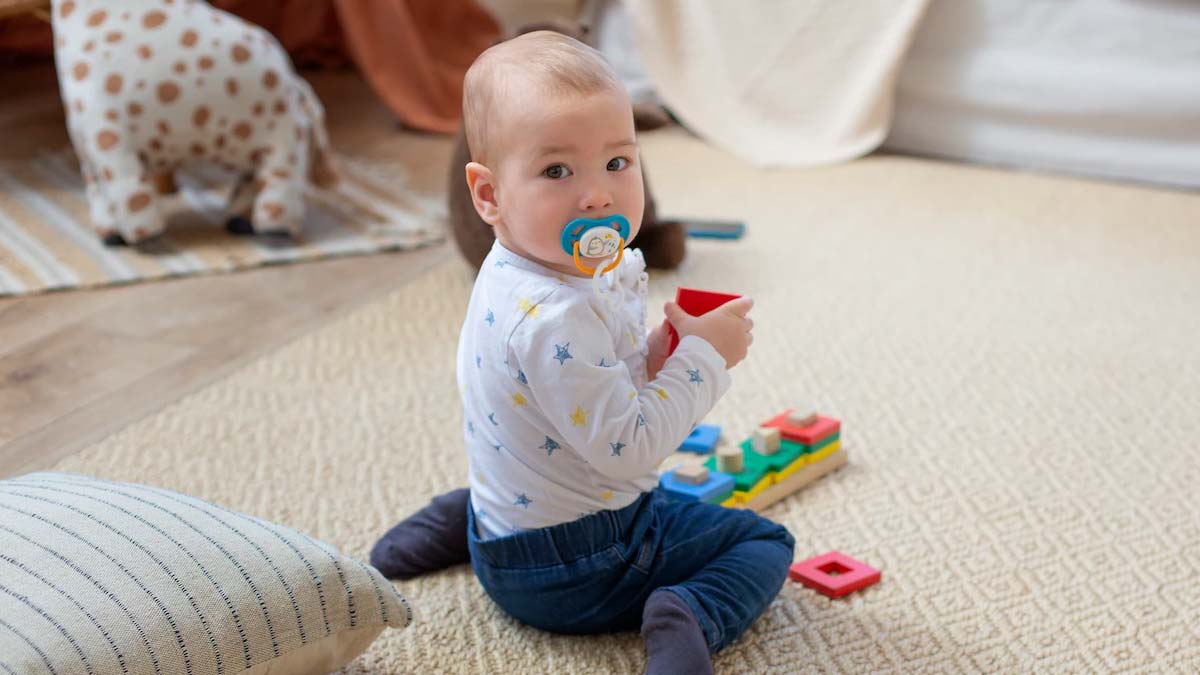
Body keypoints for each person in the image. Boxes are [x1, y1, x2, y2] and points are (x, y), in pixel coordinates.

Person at [371, 31, 794, 674]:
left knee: (525, 449)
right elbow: (630, 443)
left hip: (510, 534)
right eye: (557, 171)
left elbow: (576, 383)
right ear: (488, 195)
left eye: (617, 164)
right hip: (580, 568)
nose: (597, 196)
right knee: (763, 542)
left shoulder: (521, 263)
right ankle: (690, 617)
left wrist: (655, 352)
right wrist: (703, 360)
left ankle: (459, 521)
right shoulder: (555, 315)